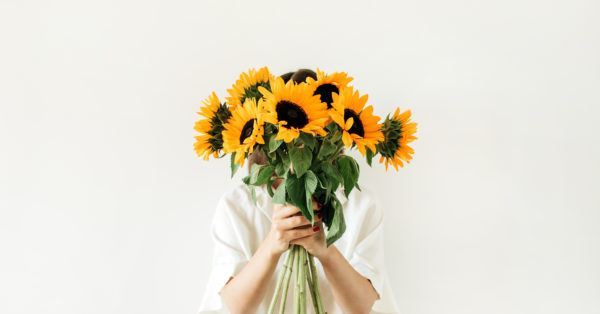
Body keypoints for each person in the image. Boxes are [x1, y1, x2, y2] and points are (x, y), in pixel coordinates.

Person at [197, 70, 399, 314]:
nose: (299, 142)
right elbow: (234, 306)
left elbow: (362, 307)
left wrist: (325, 249)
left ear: (332, 134)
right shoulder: (237, 206)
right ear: (266, 135)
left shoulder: (361, 204)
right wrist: (274, 242)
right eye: (287, 131)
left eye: (315, 129)